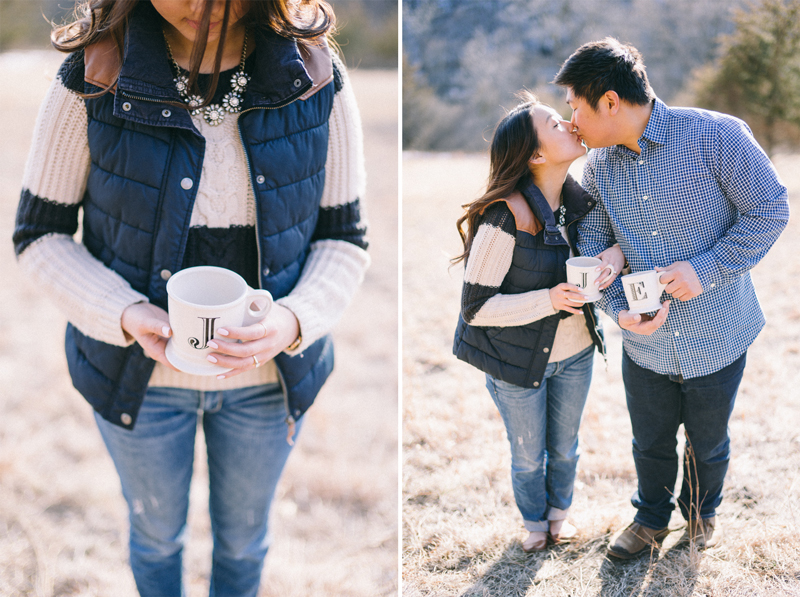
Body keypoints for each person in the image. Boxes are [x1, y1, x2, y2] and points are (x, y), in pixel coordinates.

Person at [13, 0, 369, 593]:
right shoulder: (95, 70)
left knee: (244, 544)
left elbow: (345, 238)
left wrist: (292, 321)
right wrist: (123, 313)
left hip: (266, 386)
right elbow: (39, 234)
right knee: (155, 540)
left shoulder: (316, 73)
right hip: (138, 382)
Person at [553, 37, 789, 559]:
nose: (571, 120)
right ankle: (650, 519)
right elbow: (593, 243)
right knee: (650, 441)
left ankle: (702, 514)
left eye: (575, 105)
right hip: (646, 346)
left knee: (708, 444)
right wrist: (619, 309)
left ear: (609, 101)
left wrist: (703, 270)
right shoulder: (598, 167)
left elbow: (770, 210)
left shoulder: (716, 135)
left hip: (717, 332)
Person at [452, 92, 625, 552]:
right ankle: (533, 521)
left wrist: (616, 256)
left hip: (576, 352)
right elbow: (477, 309)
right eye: (553, 123)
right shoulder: (502, 216)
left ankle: (558, 515)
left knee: (566, 446)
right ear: (535, 154)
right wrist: (548, 299)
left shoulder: (582, 202)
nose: (569, 123)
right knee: (529, 454)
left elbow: (614, 246)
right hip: (513, 360)